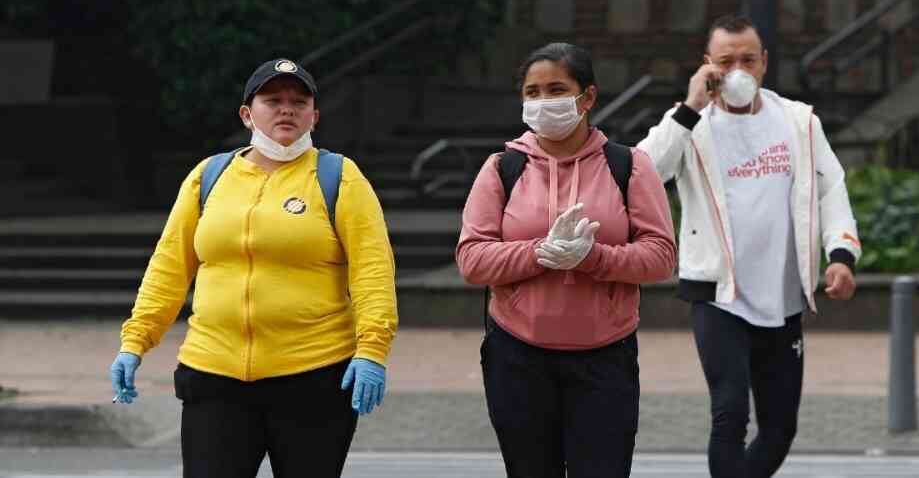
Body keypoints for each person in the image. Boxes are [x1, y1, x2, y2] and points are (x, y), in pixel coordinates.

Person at [108, 58, 398, 478]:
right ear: (247, 114)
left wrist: (372, 349)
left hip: (312, 377)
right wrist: (135, 341)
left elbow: (373, 271)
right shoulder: (208, 176)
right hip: (214, 374)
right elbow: (168, 267)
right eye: (273, 100)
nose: (287, 110)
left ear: (314, 116)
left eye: (299, 102)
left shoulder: (339, 177)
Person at [636, 14, 862, 478]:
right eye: (725, 61)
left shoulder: (798, 121)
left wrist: (841, 255)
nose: (737, 70)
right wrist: (690, 106)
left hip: (783, 297)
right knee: (730, 412)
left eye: (748, 59)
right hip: (719, 295)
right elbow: (643, 174)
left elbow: (831, 189)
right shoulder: (691, 123)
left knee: (780, 427)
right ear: (707, 64)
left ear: (764, 63)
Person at [456, 42, 677, 478]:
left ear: (587, 97)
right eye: (532, 92)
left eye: (556, 90)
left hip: (605, 359)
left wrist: (592, 257)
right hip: (517, 356)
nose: (543, 101)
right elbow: (471, 259)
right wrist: (540, 252)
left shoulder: (629, 166)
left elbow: (660, 256)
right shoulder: (501, 168)